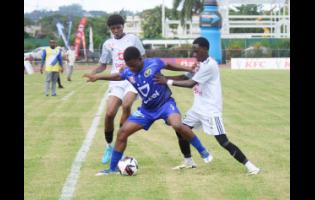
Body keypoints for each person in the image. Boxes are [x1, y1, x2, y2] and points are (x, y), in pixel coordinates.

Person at [83, 47, 212, 175]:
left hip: (165, 104)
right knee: (122, 133)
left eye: (133, 66)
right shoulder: (128, 71)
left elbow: (168, 65)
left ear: (140, 59)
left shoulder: (153, 63)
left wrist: (189, 69)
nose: (131, 69)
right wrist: (97, 77)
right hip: (146, 110)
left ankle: (202, 151)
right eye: (129, 66)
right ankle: (112, 169)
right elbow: (118, 76)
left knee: (177, 125)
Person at [154, 37, 260, 175]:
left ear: (205, 49)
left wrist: (167, 81)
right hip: (197, 109)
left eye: (196, 51)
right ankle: (189, 161)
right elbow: (185, 77)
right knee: (180, 129)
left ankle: (251, 167)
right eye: (192, 51)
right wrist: (164, 78)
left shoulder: (210, 65)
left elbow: (191, 83)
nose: (193, 54)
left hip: (210, 110)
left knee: (223, 142)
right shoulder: (199, 64)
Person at [88, 14, 145, 164]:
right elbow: (103, 64)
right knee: (109, 113)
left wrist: (132, 67)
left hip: (132, 80)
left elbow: (143, 58)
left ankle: (120, 141)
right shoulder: (108, 44)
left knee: (127, 105)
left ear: (123, 26)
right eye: (113, 28)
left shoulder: (133, 39)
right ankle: (108, 147)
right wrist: (93, 73)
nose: (116, 30)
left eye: (118, 27)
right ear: (110, 29)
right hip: (116, 81)